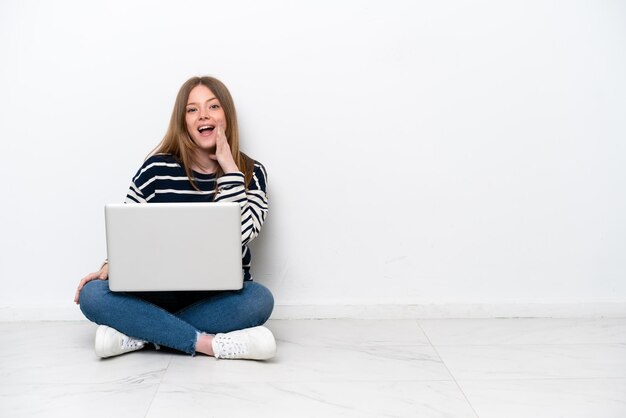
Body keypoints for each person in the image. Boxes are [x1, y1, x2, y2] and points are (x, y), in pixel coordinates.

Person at [74, 76, 276, 360]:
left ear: (226, 116)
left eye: (213, 107)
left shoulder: (252, 172)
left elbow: (243, 233)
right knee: (92, 295)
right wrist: (110, 264)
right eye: (192, 109)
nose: (203, 115)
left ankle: (140, 334)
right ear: (183, 121)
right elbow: (128, 229)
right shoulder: (157, 168)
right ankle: (206, 343)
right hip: (156, 293)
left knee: (260, 301)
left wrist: (230, 168)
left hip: (218, 296)